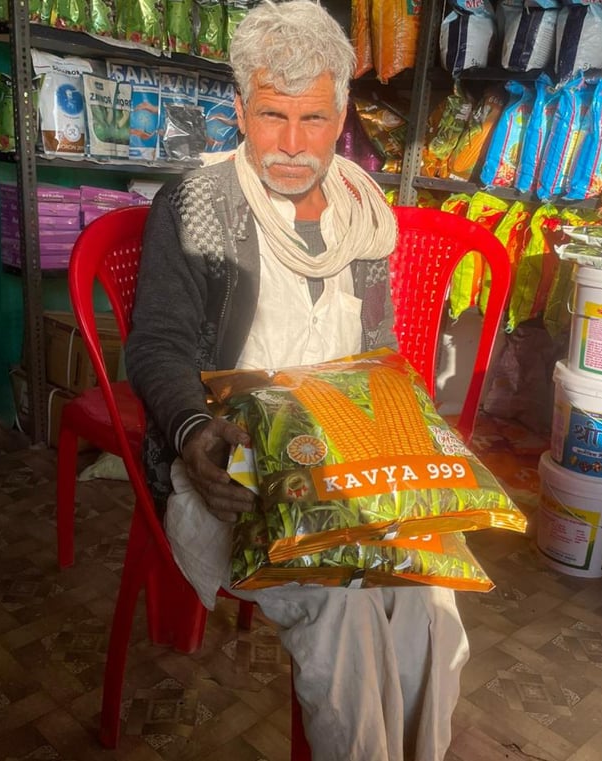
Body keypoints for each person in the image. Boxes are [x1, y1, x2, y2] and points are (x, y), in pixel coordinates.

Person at [125, 2, 469, 759]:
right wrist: (193, 434)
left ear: (341, 113)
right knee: (340, 603)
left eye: (313, 119)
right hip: (232, 466)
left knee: (429, 589)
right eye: (272, 114)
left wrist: (411, 449)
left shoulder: (359, 213)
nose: (290, 143)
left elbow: (376, 357)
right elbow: (156, 345)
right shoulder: (195, 207)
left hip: (341, 462)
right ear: (240, 108)